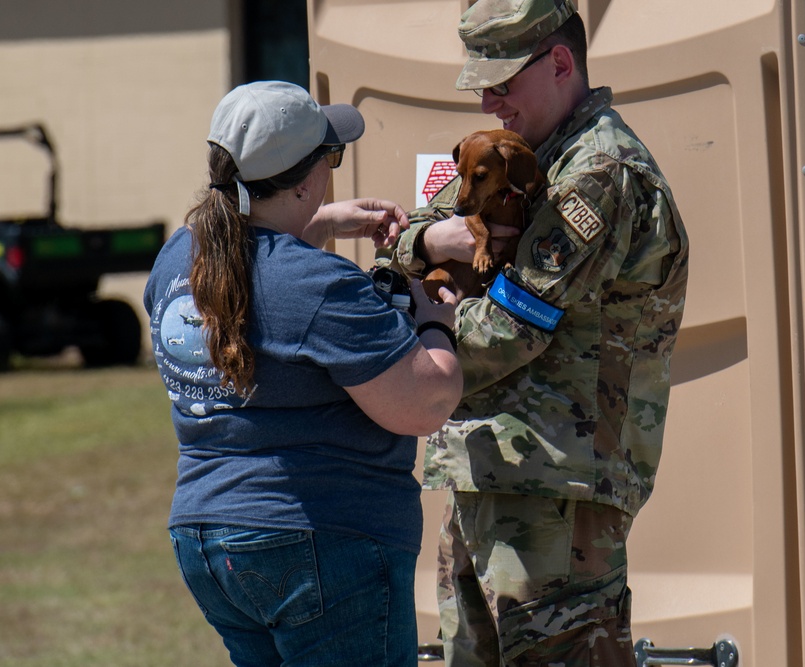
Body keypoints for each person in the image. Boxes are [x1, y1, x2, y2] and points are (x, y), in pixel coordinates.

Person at [385, 1, 690, 664]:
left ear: (559, 63)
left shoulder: (598, 172)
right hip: (490, 468)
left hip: (556, 488)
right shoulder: (522, 155)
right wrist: (429, 241)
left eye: (502, 82)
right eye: (482, 86)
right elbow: (403, 240)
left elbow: (511, 329)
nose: (490, 102)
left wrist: (399, 342)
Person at [143, 80, 463, 667]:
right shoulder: (318, 285)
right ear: (304, 180)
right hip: (321, 541)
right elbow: (425, 403)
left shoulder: (177, 258)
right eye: (329, 157)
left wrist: (319, 224)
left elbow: (262, 292)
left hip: (209, 541)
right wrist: (436, 320)